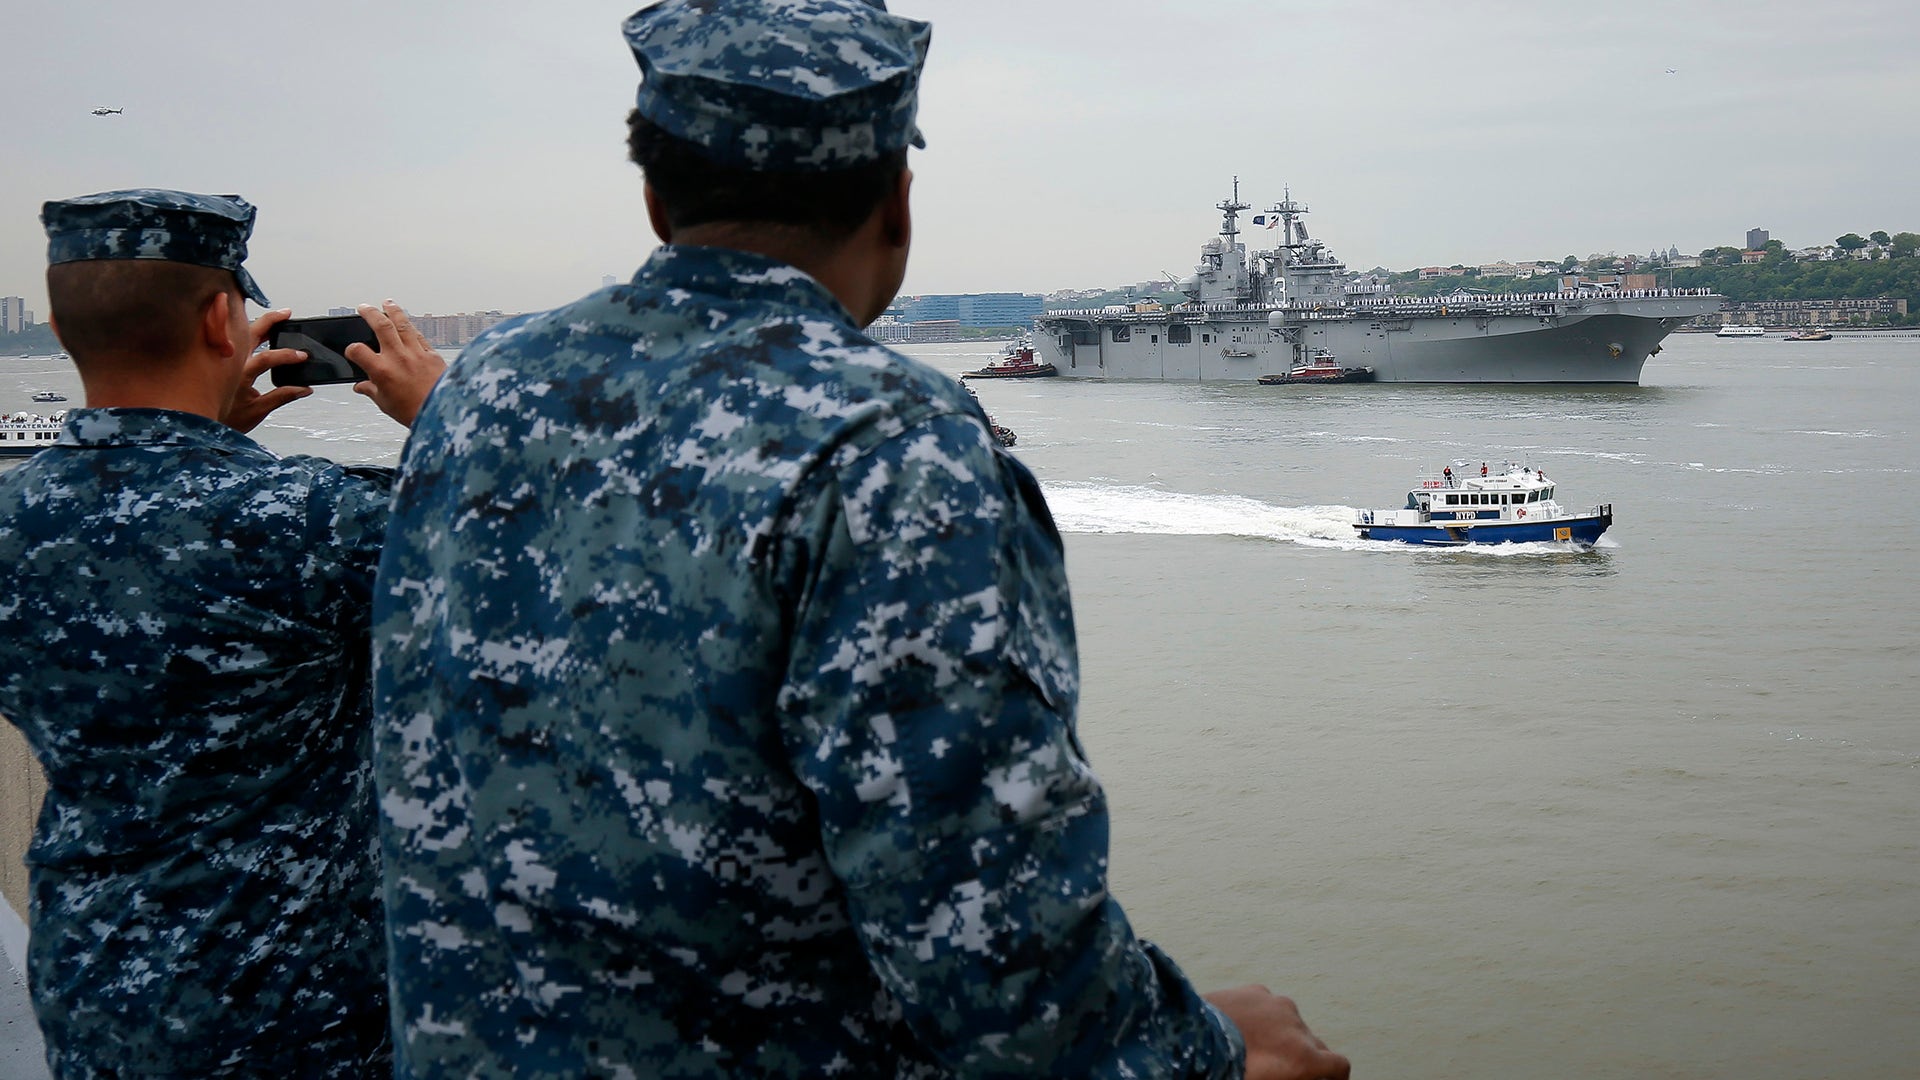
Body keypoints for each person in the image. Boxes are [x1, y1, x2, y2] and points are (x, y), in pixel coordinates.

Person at [370, 3, 1348, 1078]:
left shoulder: (477, 391)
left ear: (655, 199)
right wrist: (1207, 1055)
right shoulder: (895, 446)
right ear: (898, 202)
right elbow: (996, 950)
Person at [0, 189, 444, 1078]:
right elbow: (523, 561)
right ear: (219, 320)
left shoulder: (16, 516)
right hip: (292, 1010)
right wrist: (444, 417)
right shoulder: (307, 518)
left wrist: (198, 432)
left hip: (93, 983)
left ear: (58, 329)